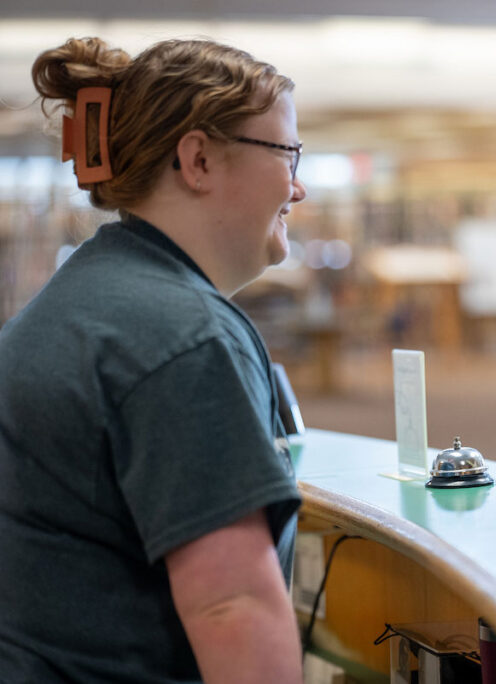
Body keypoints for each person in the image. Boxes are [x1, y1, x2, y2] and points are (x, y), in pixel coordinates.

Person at [0, 37, 307, 682]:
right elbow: (234, 608)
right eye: (287, 154)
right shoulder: (184, 337)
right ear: (197, 159)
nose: (298, 187)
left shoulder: (79, 297)